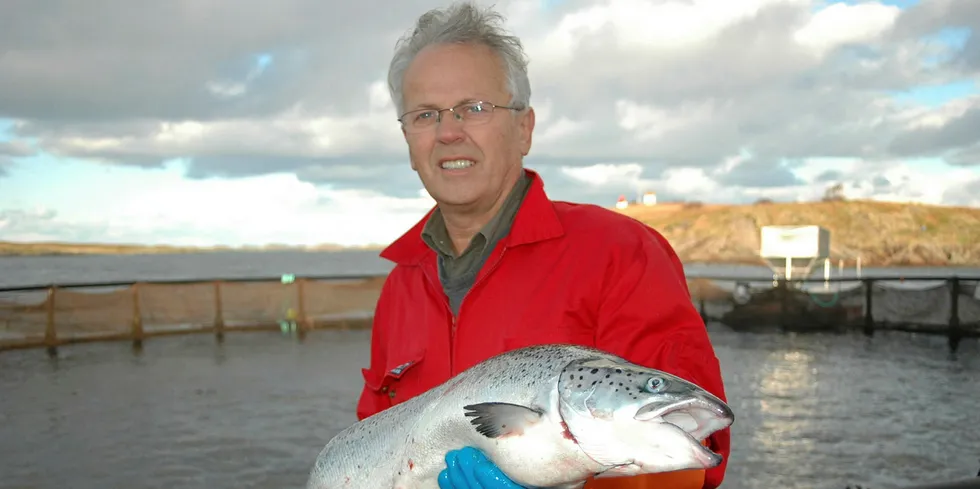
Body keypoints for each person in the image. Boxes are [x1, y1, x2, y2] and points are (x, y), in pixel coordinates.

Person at [356, 2, 730, 488]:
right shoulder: (400, 286)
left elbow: (693, 459)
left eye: (475, 108)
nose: (449, 132)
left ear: (524, 128)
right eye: (425, 115)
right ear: (408, 139)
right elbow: (371, 444)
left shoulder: (621, 253)